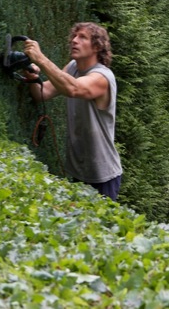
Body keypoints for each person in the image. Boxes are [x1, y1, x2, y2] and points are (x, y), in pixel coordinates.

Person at [23, 22, 122, 201]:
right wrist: (32, 77)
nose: (74, 41)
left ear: (97, 46)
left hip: (103, 175)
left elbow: (74, 89)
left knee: (97, 228)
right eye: (74, 36)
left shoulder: (102, 77)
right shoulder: (73, 67)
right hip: (79, 169)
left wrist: (40, 58)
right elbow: (42, 93)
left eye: (82, 37)